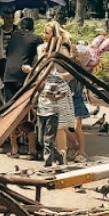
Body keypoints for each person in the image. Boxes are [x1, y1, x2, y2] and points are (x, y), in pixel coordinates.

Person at [34, 21, 74, 167]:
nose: (44, 35)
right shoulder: (40, 49)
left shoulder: (62, 50)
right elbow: (39, 70)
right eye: (44, 32)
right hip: (44, 93)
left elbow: (69, 73)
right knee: (43, 136)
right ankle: (58, 155)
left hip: (58, 91)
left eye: (47, 33)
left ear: (55, 35)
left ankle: (55, 160)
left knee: (59, 127)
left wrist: (56, 79)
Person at [2, 16, 42, 158]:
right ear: (32, 28)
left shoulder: (13, 37)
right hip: (23, 76)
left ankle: (14, 149)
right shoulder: (36, 39)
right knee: (27, 113)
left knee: (11, 111)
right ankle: (32, 150)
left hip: (8, 75)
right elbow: (42, 54)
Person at [0, 5, 18, 76]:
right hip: (2, 64)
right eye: (8, 18)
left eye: (12, 18)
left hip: (16, 65)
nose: (10, 20)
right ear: (3, 17)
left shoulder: (18, 31)